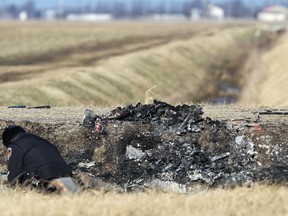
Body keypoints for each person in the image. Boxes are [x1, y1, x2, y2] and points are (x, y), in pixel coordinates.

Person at [2, 125, 72, 186]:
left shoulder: (15, 145)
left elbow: (13, 177)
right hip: (68, 177)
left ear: (9, 141)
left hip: (46, 180)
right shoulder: (40, 141)